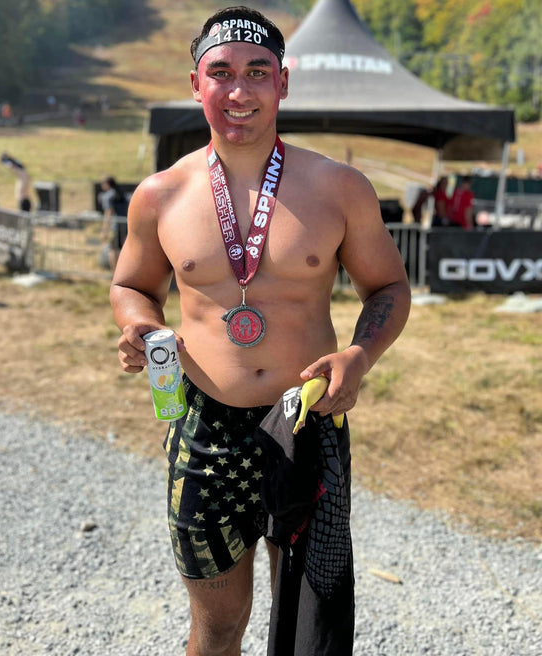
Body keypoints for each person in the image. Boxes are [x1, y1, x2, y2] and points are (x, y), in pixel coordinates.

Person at [110, 6, 411, 655]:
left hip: (303, 422)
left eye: (257, 72)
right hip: (202, 428)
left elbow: (387, 285)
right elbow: (132, 285)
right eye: (221, 73)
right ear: (197, 85)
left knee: (306, 623)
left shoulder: (338, 188)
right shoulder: (160, 194)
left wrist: (360, 354)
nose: (239, 91)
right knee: (219, 626)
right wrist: (138, 323)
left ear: (283, 82)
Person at [100, 176, 129, 269]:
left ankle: (115, 273)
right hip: (126, 224)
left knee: (113, 249)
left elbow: (108, 213)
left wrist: (104, 230)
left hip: (116, 226)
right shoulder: (123, 194)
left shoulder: (108, 196)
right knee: (124, 249)